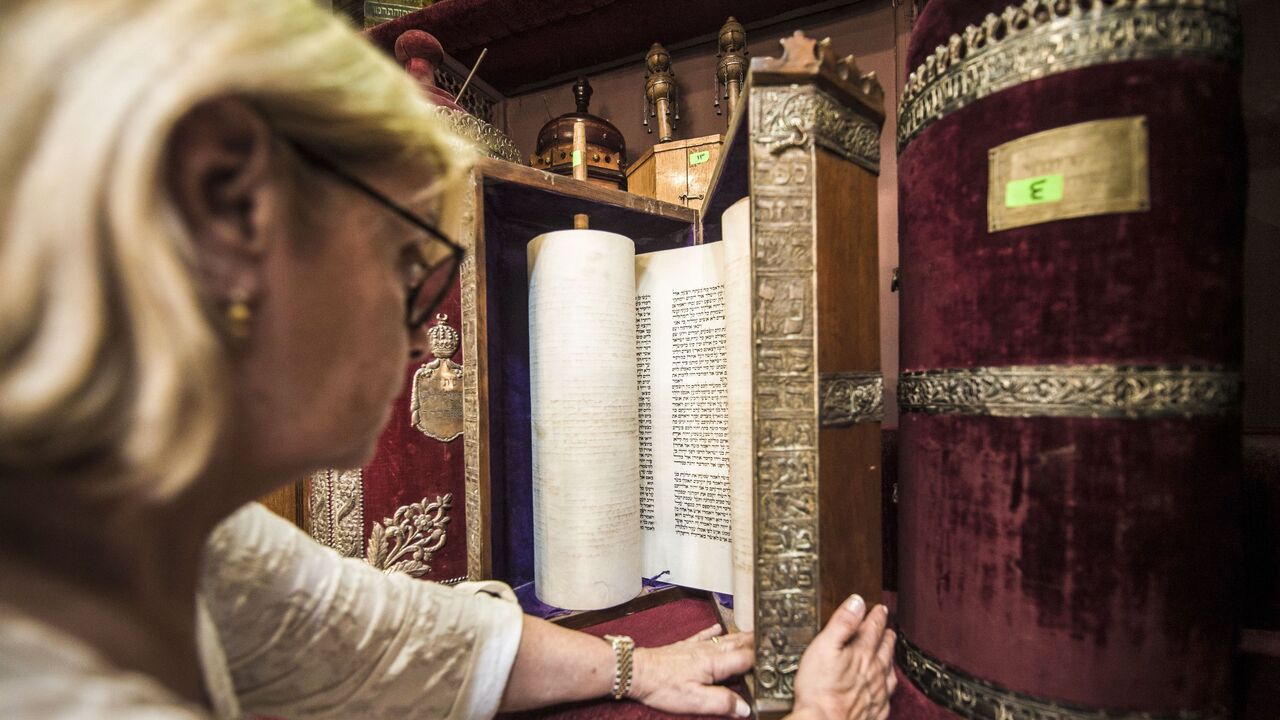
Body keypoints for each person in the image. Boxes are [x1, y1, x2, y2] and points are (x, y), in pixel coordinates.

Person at [0, 0, 897, 718]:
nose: (431, 331)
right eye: (413, 270)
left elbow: (393, 636)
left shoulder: (157, 522)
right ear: (231, 203)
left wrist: (633, 666)